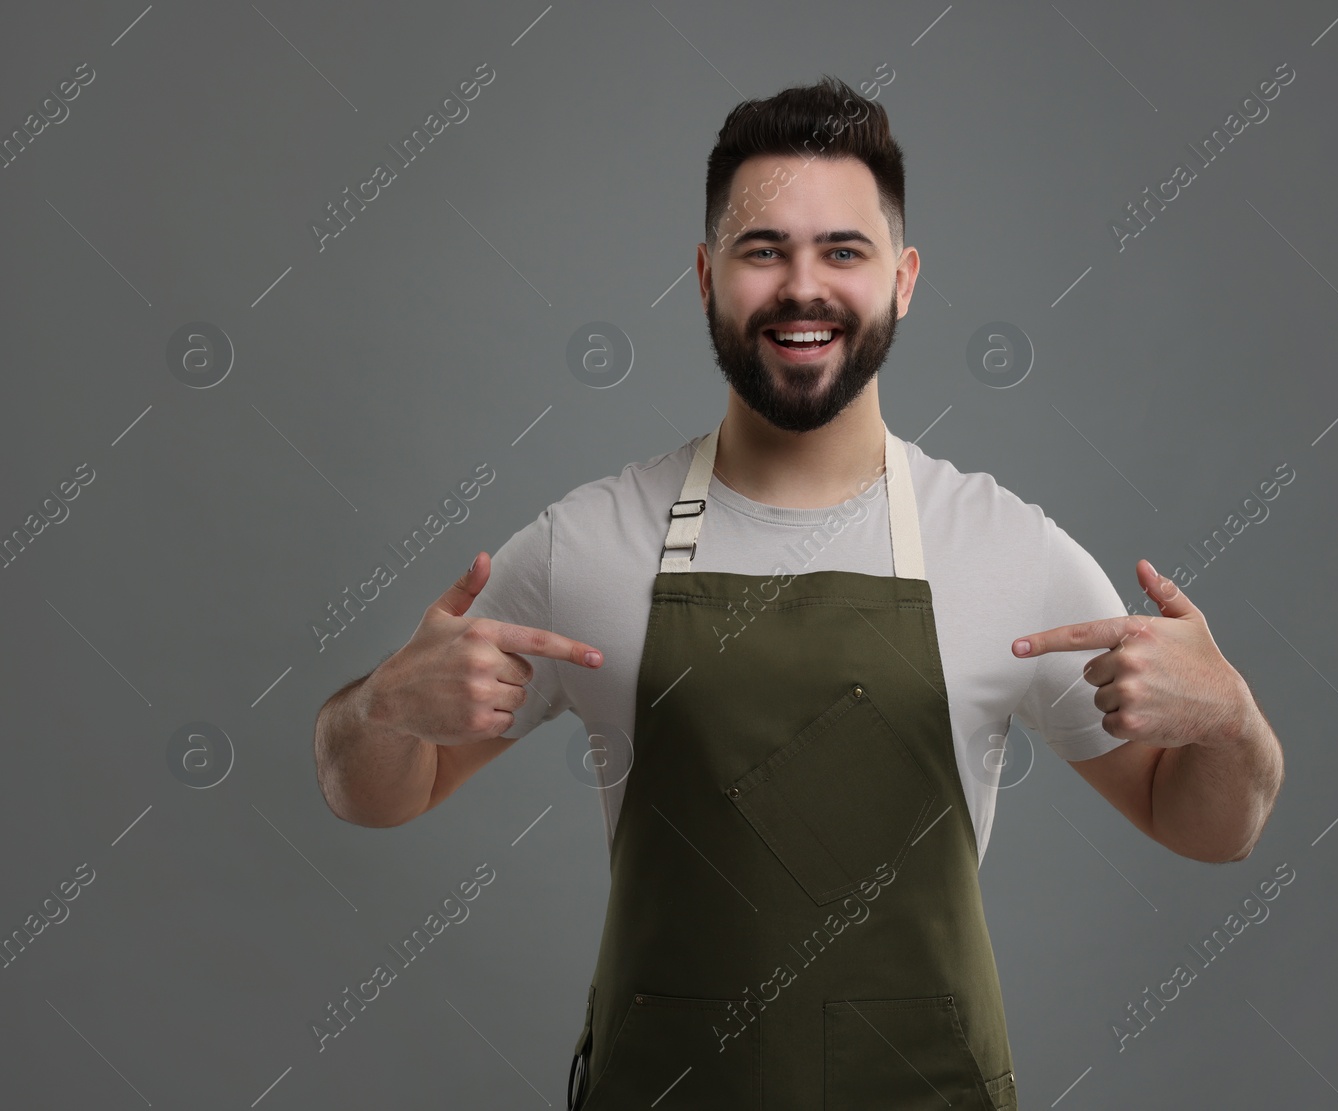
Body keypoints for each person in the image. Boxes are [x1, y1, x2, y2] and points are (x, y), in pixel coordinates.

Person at [313, 75, 1284, 1111]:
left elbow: (1205, 827)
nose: (800, 287)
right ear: (704, 277)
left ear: (904, 280)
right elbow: (378, 791)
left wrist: (1233, 724)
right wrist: (375, 709)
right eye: (762, 249)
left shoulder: (1007, 550)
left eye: (843, 251)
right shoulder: (587, 544)